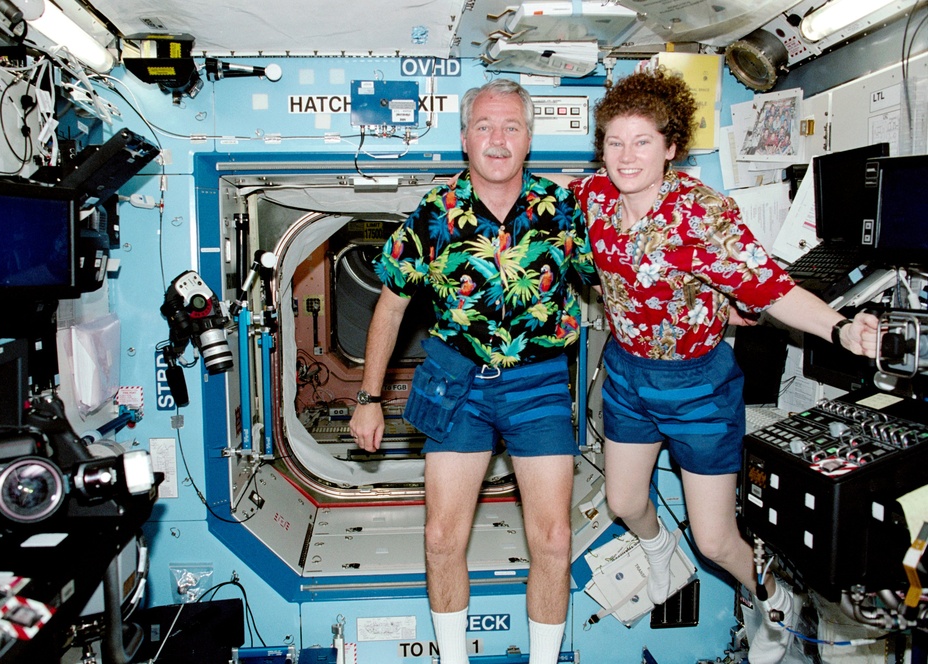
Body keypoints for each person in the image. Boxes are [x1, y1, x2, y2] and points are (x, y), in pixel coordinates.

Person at [568, 68, 879, 664]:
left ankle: (774, 599)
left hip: (697, 387)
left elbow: (770, 289)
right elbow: (545, 199)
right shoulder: (593, 199)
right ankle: (661, 554)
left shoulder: (701, 214)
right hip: (629, 376)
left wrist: (841, 327)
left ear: (670, 147)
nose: (626, 156)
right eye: (614, 142)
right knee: (626, 504)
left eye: (642, 142)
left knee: (714, 539)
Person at [349, 78, 598, 664]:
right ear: (465, 138)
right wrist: (367, 397)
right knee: (441, 539)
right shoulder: (434, 214)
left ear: (529, 138)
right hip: (455, 381)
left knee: (554, 540)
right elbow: (391, 304)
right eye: (484, 126)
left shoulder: (562, 210)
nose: (497, 138)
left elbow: (609, 281)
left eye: (511, 126)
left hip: (537, 384)